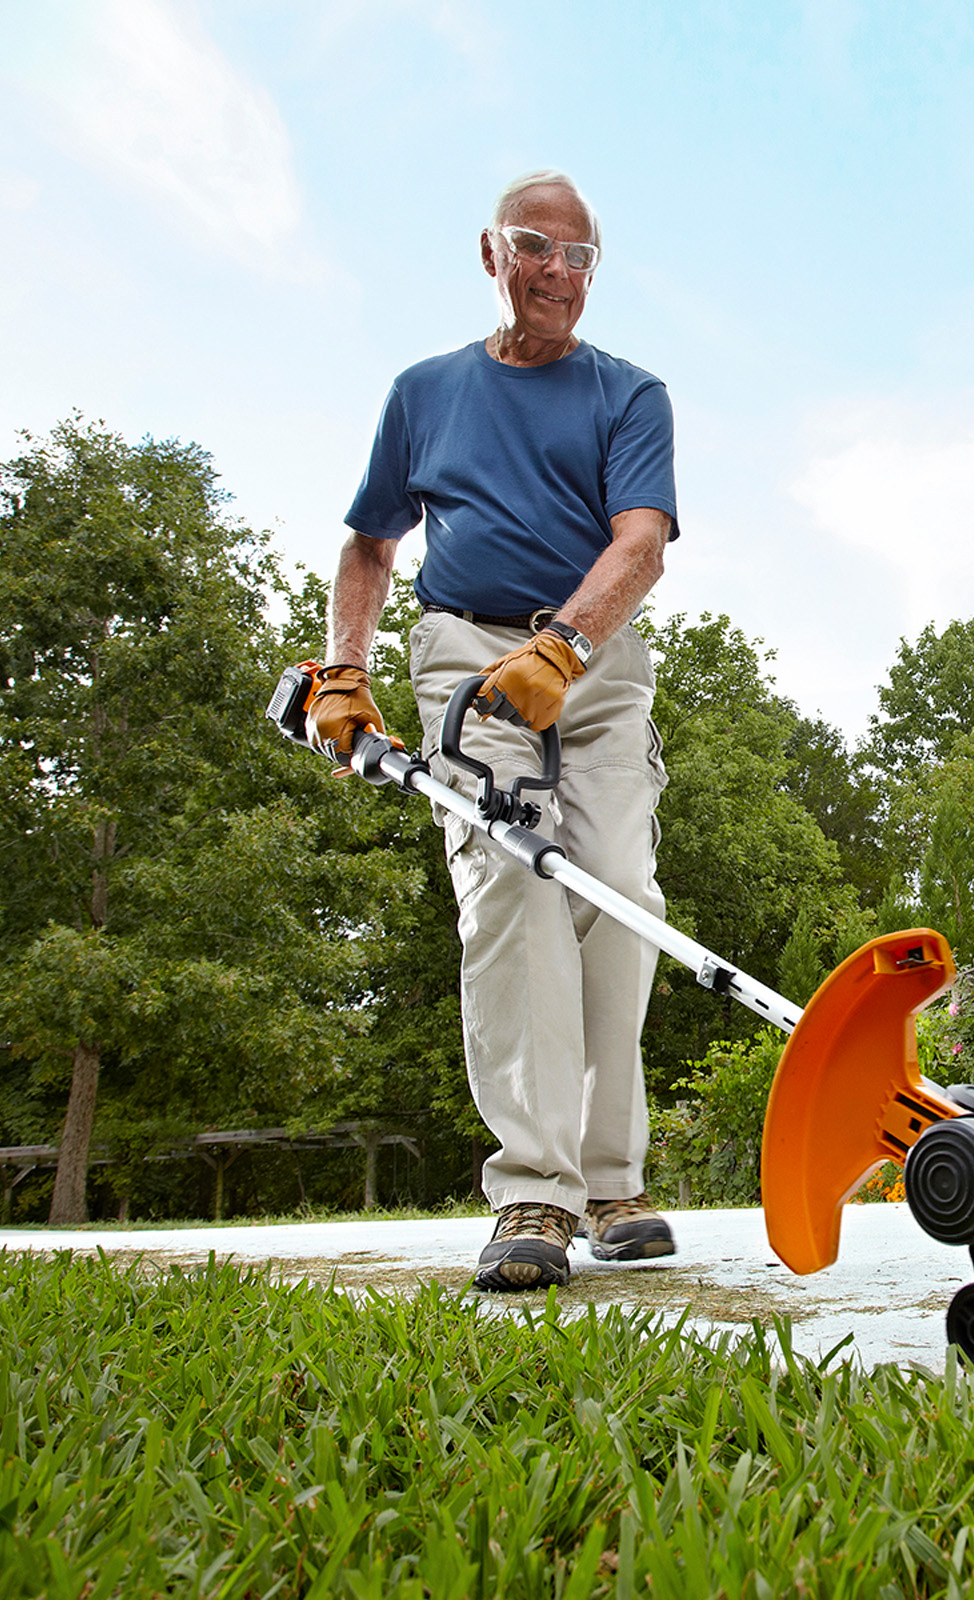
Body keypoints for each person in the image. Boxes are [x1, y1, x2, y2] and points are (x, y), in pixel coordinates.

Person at [306, 169, 678, 1291]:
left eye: (580, 257)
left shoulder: (630, 392)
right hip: (468, 656)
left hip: (591, 658)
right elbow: (371, 547)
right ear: (491, 254)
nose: (558, 273)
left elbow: (642, 544)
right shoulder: (426, 391)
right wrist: (344, 669)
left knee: (619, 887)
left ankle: (612, 1178)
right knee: (512, 881)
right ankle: (534, 1189)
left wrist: (565, 645)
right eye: (536, 248)